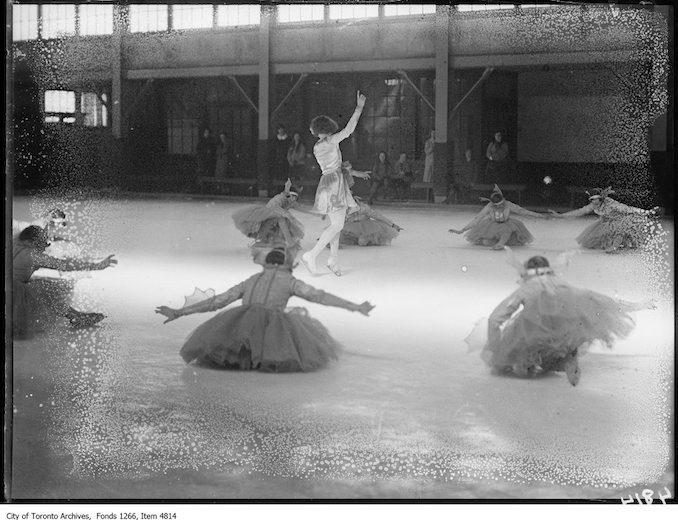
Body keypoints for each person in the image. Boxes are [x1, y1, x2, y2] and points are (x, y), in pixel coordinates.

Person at [155, 248, 374, 373]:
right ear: (285, 265)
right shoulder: (289, 281)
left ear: (267, 264)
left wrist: (180, 312)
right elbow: (319, 296)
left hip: (240, 325)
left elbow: (218, 301)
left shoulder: (252, 279)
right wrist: (354, 307)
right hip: (273, 329)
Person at [465, 248, 655, 386]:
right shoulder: (561, 283)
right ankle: (566, 357)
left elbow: (496, 319)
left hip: (535, 332)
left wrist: (498, 353)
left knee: (524, 363)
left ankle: (542, 363)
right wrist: (638, 305)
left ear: (525, 274)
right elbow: (597, 299)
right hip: (566, 331)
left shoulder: (527, 287)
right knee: (561, 341)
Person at [300, 91, 371, 277]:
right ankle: (312, 255)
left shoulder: (319, 145)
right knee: (337, 226)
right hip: (334, 184)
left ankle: (332, 260)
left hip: (330, 182)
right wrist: (358, 109)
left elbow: (337, 165)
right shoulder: (330, 142)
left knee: (336, 225)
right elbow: (348, 131)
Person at [13, 226, 118, 337]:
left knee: (42, 288)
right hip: (14, 292)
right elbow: (64, 265)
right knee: (45, 289)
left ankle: (75, 316)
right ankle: (75, 316)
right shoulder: (32, 255)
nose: (45, 247)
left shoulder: (15, 247)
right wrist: (96, 266)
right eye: (42, 243)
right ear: (30, 242)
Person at [548, 187, 661, 254]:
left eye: (595, 199)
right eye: (591, 200)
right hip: (606, 221)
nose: (593, 202)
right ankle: (620, 245)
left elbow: (628, 209)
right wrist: (560, 216)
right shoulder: (593, 205)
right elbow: (579, 212)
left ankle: (617, 246)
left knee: (620, 228)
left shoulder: (611, 204)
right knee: (601, 233)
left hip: (622, 219)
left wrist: (647, 212)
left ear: (600, 198)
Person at [448, 184, 548, 250]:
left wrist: (540, 216)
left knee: (506, 230)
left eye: (501, 204)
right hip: (491, 226)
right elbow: (477, 219)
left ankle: (500, 243)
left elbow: (523, 211)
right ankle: (497, 241)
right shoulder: (489, 206)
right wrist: (462, 230)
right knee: (487, 242)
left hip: (506, 225)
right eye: (497, 206)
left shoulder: (508, 204)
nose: (500, 207)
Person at [232, 179, 305, 262]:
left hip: (275, 218)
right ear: (289, 195)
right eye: (292, 196)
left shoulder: (291, 202)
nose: (293, 199)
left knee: (282, 222)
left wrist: (317, 213)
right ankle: (286, 241)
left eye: (295, 197)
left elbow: (302, 209)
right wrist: (285, 213)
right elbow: (274, 207)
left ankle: (279, 240)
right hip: (267, 217)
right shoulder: (280, 198)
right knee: (281, 220)